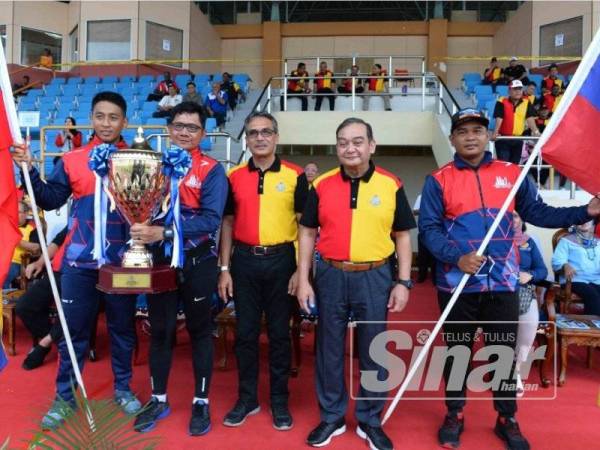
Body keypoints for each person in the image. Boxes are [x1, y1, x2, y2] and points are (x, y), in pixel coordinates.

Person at [418, 108, 600, 450]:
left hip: (502, 283)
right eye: (463, 131)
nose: (470, 136)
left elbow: (541, 213)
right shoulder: (438, 180)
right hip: (458, 284)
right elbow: (428, 230)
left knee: (502, 351)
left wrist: (585, 212)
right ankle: (454, 414)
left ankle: (507, 418)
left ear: (489, 136)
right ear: (453, 138)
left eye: (477, 130)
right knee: (458, 351)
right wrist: (455, 257)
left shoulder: (512, 174)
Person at [11, 91, 142, 429]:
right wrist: (28, 170)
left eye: (114, 117)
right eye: (100, 116)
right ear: (92, 119)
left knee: (123, 330)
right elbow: (51, 198)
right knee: (73, 333)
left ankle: (124, 389)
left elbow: (149, 209)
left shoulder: (140, 160)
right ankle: (65, 397)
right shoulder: (71, 160)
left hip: (125, 264)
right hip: (79, 264)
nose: (107, 123)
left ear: (124, 121)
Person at [297, 117, 415, 450]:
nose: (350, 148)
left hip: (375, 275)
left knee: (374, 349)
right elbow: (306, 232)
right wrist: (305, 279)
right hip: (330, 274)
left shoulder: (391, 184)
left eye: (358, 141)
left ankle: (369, 419)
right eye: (343, 142)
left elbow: (403, 236)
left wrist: (403, 282)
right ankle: (332, 417)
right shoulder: (321, 184)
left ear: (372, 145)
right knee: (328, 349)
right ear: (336, 148)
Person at [132, 102, 228, 436]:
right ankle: (158, 399)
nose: (184, 132)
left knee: (201, 331)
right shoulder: (153, 166)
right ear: (169, 129)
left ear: (203, 133)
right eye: (178, 126)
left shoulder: (212, 170)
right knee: (160, 331)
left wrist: (166, 232)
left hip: (198, 262)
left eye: (192, 127)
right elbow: (138, 205)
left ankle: (201, 401)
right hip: (160, 262)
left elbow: (211, 219)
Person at [218, 111, 309, 431]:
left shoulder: (296, 175)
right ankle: (247, 398)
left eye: (266, 132)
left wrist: (301, 270)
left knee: (280, 335)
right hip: (243, 262)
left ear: (276, 136)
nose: (259, 137)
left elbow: (305, 227)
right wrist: (225, 268)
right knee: (244, 334)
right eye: (253, 132)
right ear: (246, 137)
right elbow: (227, 222)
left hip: (282, 261)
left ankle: (279, 399)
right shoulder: (234, 177)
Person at [16, 226, 68, 370]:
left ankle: (44, 343)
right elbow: (57, 242)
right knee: (24, 306)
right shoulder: (76, 214)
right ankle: (59, 336)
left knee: (71, 313)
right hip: (57, 271)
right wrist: (39, 262)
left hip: (84, 275)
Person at [512, 212, 548, 396]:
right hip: (497, 290)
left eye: (516, 216)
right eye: (508, 216)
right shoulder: (492, 240)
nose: (512, 220)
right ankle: (501, 365)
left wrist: (531, 276)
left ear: (523, 220)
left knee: (529, 323)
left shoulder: (529, 242)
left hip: (524, 290)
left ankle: (515, 370)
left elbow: (543, 270)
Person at [552, 221, 600, 315]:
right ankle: (592, 328)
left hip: (596, 280)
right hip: (575, 279)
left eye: (588, 219)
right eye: (581, 219)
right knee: (592, 295)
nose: (584, 222)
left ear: (593, 223)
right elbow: (557, 261)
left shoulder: (598, 242)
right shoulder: (566, 241)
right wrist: (565, 265)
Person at [492, 80, 540, 164]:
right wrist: (495, 132)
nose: (518, 91)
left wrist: (536, 132)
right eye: (515, 89)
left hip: (518, 139)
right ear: (509, 91)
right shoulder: (501, 101)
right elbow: (499, 117)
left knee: (515, 165)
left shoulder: (526, 102)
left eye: (520, 89)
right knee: (504, 165)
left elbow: (530, 118)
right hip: (504, 139)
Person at [3, 201, 41, 289]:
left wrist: (15, 239)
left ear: (26, 213)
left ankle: (3, 299)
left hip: (15, 262)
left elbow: (36, 248)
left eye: (18, 212)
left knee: (3, 274)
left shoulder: (32, 227)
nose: (14, 214)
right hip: (3, 259)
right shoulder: (7, 224)